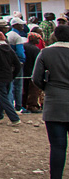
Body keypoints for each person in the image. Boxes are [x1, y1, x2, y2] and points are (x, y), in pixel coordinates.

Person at [33, 24, 69, 179]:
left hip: (54, 103)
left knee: (57, 146)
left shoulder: (45, 53)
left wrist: (48, 88)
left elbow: (36, 78)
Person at [0, 30, 21, 126]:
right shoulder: (9, 49)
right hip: (8, 77)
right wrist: (13, 75)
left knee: (4, 98)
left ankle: (14, 119)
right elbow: (17, 64)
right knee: (2, 97)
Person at [23, 33, 44, 113]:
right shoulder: (35, 49)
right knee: (33, 90)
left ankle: (23, 105)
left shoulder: (24, 46)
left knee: (24, 89)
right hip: (32, 71)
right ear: (32, 39)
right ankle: (32, 106)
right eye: (37, 39)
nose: (38, 41)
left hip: (24, 71)